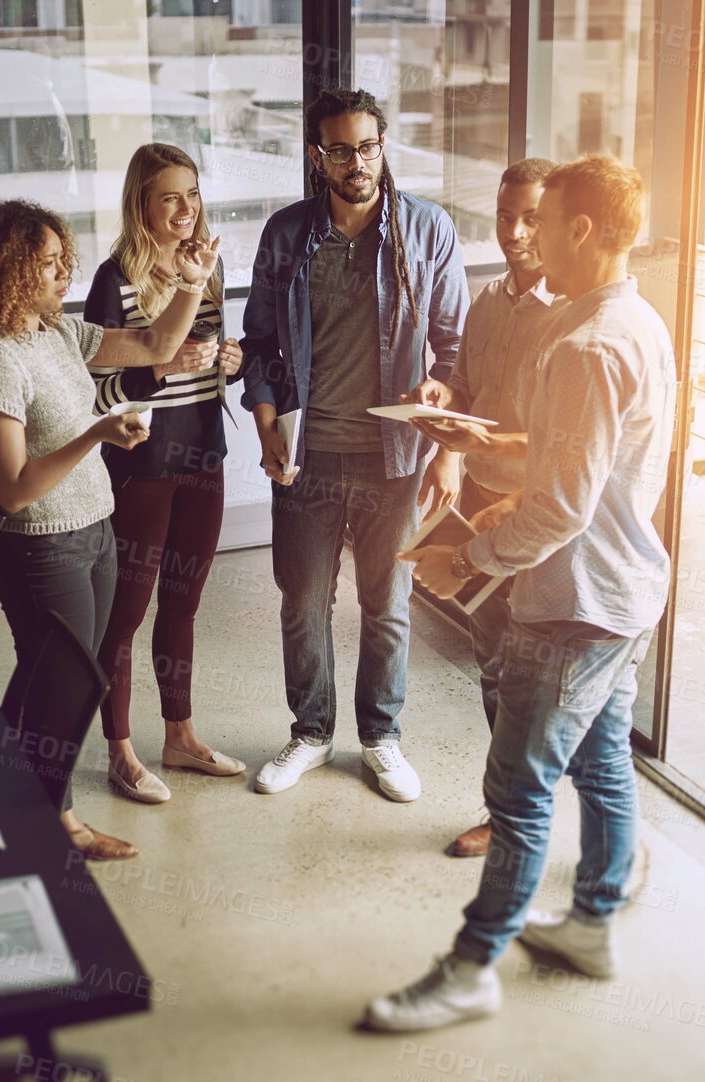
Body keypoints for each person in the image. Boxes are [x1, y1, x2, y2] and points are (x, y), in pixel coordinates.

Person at [366, 155, 676, 1030]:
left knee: (518, 791)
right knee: (602, 758)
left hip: (575, 605)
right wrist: (465, 438)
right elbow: (570, 464)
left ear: (580, 229)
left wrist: (468, 561)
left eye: (543, 221)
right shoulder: (634, 322)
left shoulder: (588, 345)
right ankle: (594, 925)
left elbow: (562, 508)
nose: (526, 234)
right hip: (625, 593)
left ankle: (469, 969)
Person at [0, 199, 221, 860]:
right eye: (45, 264)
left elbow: (157, 346)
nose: (62, 273)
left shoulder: (58, 333)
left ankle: (15, 800)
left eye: (63, 259)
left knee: (57, 681)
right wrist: (95, 431)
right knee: (61, 688)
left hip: (95, 530)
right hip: (44, 548)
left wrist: (190, 280)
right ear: (3, 272)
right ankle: (56, 824)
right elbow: (13, 488)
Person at [239, 87, 468, 803]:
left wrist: (447, 420)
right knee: (303, 603)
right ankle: (310, 733)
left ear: (381, 147)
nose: (357, 161)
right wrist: (268, 427)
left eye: (367, 146)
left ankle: (381, 738)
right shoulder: (287, 234)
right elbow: (260, 346)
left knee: (387, 604)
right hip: (308, 456)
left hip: (394, 459)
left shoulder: (427, 230)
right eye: (340, 149)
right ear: (319, 156)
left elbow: (457, 352)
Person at [84, 144, 249, 803]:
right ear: (141, 205)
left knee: (183, 605)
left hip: (203, 457)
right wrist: (160, 367)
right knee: (124, 611)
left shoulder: (205, 268)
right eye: (169, 197)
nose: (186, 209)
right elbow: (94, 396)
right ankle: (120, 750)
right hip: (141, 468)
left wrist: (227, 361)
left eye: (193, 194)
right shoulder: (111, 279)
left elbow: (206, 362)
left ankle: (178, 737)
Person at [409, 157, 563, 857]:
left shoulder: (570, 317)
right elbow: (466, 391)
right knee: (495, 666)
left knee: (537, 675)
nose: (515, 232)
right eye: (506, 216)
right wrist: (444, 406)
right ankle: (504, 811)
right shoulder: (489, 300)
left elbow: (573, 441)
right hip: (477, 500)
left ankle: (522, 815)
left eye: (531, 218)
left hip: (534, 515)